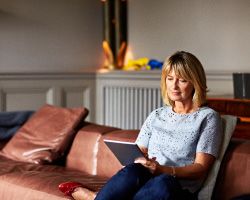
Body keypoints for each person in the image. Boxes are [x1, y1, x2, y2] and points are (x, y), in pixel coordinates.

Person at [58, 51, 222, 200]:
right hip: (146, 182)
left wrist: (164, 170)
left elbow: (201, 168)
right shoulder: (157, 115)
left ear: (195, 82)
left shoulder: (208, 117)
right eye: (170, 78)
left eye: (182, 80)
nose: (174, 86)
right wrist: (141, 161)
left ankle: (95, 198)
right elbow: (140, 152)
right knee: (133, 170)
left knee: (163, 182)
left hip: (177, 188)